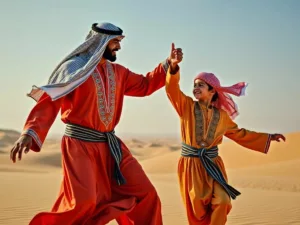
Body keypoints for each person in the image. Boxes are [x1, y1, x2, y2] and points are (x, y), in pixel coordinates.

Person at [10, 22, 183, 225]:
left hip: (112, 148)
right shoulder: (74, 70)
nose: (119, 47)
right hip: (80, 146)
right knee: (83, 203)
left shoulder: (119, 72)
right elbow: (50, 101)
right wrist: (29, 132)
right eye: (115, 42)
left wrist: (169, 65)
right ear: (100, 42)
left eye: (119, 41)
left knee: (146, 193)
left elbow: (145, 85)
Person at [165, 63, 286, 224]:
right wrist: (173, 68)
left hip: (213, 166)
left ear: (212, 90)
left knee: (223, 201)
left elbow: (239, 134)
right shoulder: (186, 106)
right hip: (191, 166)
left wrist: (268, 137)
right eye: (194, 85)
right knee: (198, 212)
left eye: (201, 85)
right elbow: (171, 90)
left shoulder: (222, 116)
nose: (195, 87)